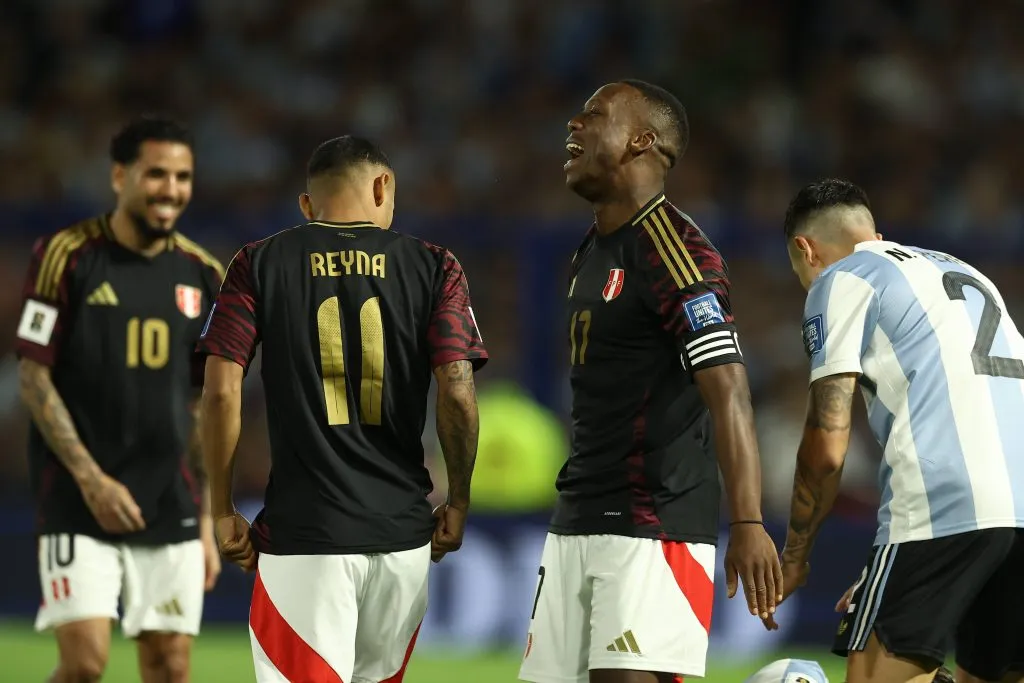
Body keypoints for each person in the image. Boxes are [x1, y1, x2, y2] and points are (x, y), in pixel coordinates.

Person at [195, 135, 487, 683]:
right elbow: (457, 391)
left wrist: (221, 506)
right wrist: (460, 502)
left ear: (308, 206)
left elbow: (219, 391)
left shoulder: (258, 263)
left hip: (306, 536)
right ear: (383, 186)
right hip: (402, 538)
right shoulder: (435, 266)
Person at [518, 80, 781, 683]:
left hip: (652, 527)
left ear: (643, 141)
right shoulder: (590, 250)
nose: (574, 126)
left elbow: (729, 389)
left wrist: (746, 522)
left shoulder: (676, 251)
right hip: (578, 514)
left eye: (595, 115)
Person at [772, 178, 1024, 683]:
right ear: (876, 233)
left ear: (805, 250)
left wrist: (795, 556)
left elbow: (826, 442)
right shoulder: (966, 272)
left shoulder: (840, 279)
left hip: (943, 502)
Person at [15, 116, 224, 683]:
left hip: (171, 500)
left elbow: (204, 405)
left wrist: (206, 517)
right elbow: (33, 376)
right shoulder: (67, 256)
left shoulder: (206, 276)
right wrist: (91, 479)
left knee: (171, 667)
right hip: (78, 501)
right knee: (84, 665)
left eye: (183, 176)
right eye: (156, 174)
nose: (172, 189)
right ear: (118, 175)